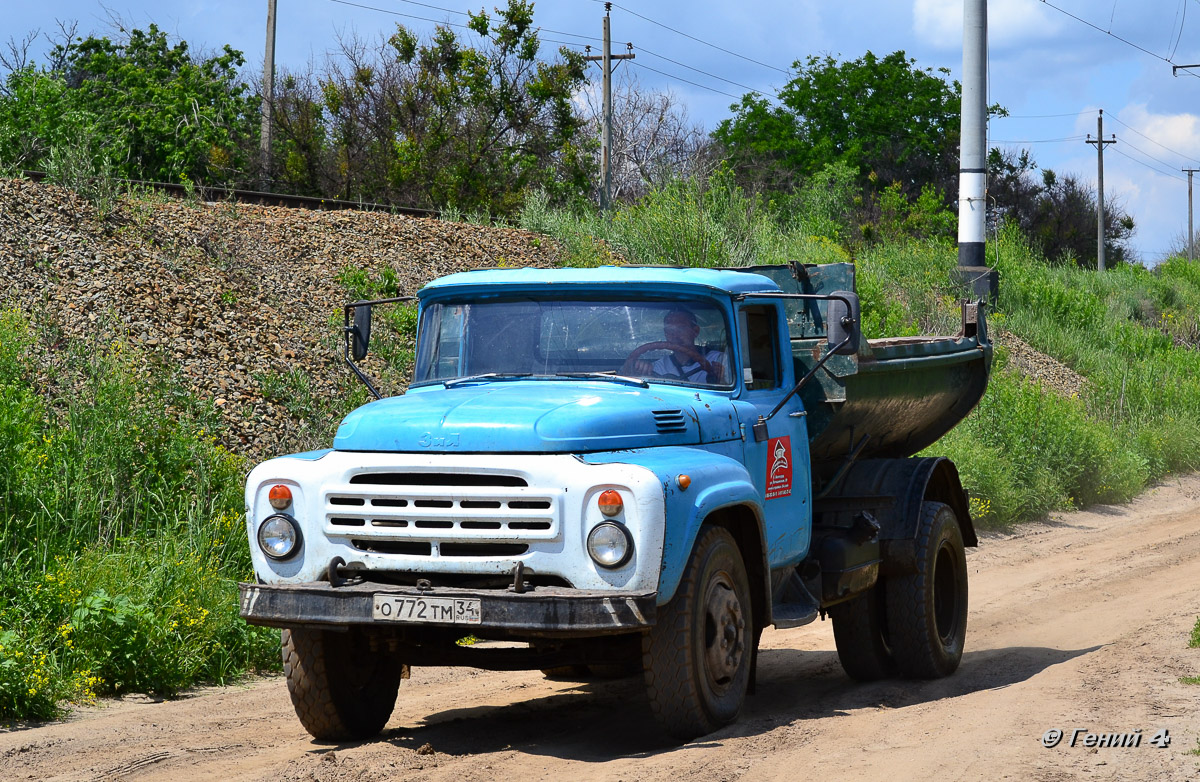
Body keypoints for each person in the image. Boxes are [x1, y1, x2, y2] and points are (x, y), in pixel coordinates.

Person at [648, 308, 728, 384]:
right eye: (669, 330)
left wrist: (719, 379)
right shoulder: (659, 366)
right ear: (665, 333)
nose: (674, 335)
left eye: (680, 329)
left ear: (695, 331)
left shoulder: (718, 359)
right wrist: (642, 369)